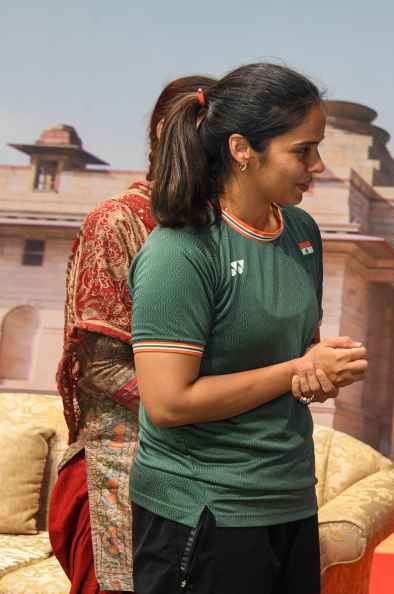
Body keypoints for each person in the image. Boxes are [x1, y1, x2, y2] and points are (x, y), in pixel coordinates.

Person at [128, 62, 367, 594]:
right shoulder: (181, 251)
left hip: (289, 498)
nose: (319, 165)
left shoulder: (300, 231)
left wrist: (318, 369)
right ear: (242, 149)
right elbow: (168, 403)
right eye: (303, 150)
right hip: (204, 511)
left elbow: (294, 349)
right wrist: (296, 369)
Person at [49, 74, 217, 594]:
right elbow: (99, 368)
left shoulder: (229, 229)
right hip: (125, 465)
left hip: (217, 463)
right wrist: (198, 407)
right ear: (163, 138)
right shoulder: (116, 222)